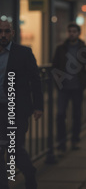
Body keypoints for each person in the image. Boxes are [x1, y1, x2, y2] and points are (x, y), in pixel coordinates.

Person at [0, 20, 43, 189]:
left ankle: (29, 173)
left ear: (13, 33)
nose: (3, 35)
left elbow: (35, 81)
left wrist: (38, 106)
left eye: (6, 31)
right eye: (0, 31)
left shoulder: (23, 53)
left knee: (14, 149)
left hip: (16, 109)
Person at [52, 23, 86, 151]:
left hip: (77, 87)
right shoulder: (61, 48)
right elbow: (55, 66)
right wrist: (57, 81)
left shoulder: (84, 48)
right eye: (70, 31)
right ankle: (62, 142)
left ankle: (75, 140)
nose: (71, 33)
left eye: (74, 31)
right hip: (64, 87)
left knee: (76, 114)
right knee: (60, 114)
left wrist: (85, 80)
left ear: (78, 33)